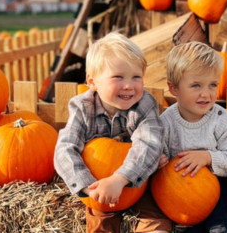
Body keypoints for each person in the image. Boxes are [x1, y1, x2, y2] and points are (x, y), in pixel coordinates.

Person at [54, 32, 171, 233]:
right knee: (100, 222)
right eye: (118, 77)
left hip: (138, 183)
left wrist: (120, 179)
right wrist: (90, 188)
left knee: (156, 223)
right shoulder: (83, 108)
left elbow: (149, 144)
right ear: (92, 82)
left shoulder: (144, 105)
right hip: (98, 187)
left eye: (136, 77)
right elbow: (64, 149)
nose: (129, 85)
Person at [158, 41, 227, 233]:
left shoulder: (222, 120)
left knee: (220, 211)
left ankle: (221, 227)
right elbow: (158, 155)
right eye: (196, 85)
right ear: (174, 89)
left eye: (212, 85)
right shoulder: (166, 123)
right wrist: (159, 161)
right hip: (183, 183)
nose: (206, 94)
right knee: (193, 219)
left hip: (220, 178)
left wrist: (208, 157)